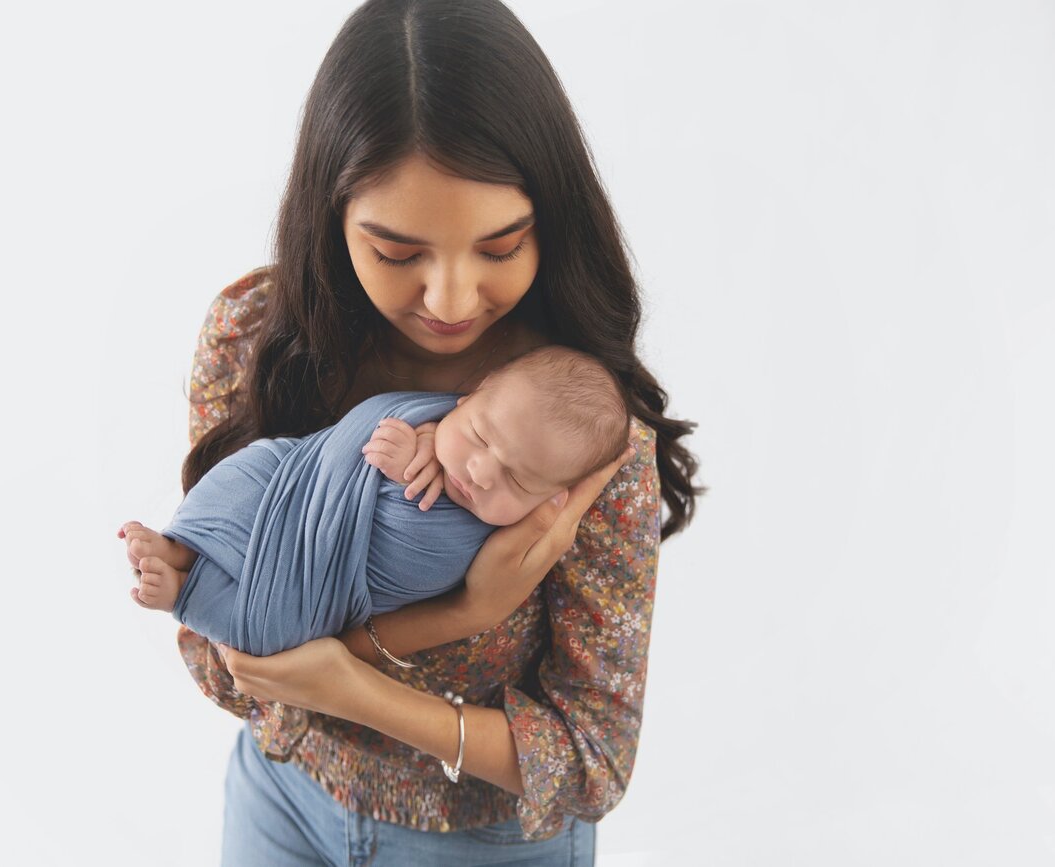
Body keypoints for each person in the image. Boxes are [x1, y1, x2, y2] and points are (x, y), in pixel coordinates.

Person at [151, 0, 699, 863]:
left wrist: (355, 685)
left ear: (549, 220)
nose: (449, 301)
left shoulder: (577, 434)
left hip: (481, 839)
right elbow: (221, 663)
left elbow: (594, 761)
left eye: (500, 246)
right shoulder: (254, 338)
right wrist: (460, 612)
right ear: (331, 219)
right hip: (280, 801)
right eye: (398, 254)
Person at [119, 347, 631, 653]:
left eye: (518, 481)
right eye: (478, 435)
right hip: (294, 483)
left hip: (324, 583)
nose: (479, 471)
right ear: (470, 394)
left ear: (554, 499)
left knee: (270, 633)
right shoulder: (429, 421)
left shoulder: (519, 537)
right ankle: (181, 546)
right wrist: (420, 435)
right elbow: (356, 441)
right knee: (252, 472)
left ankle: (183, 594)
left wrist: (474, 608)